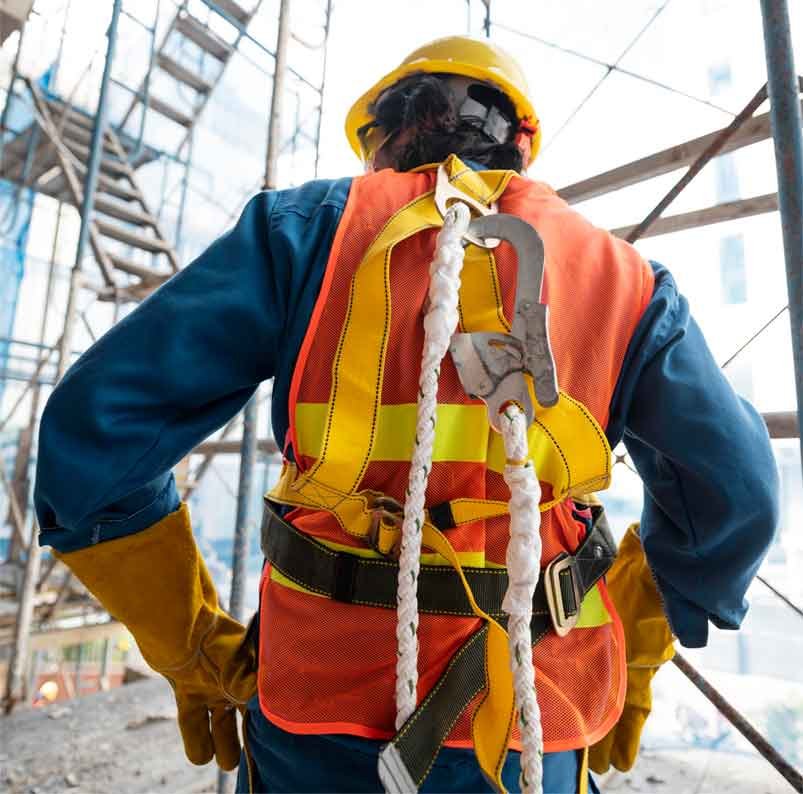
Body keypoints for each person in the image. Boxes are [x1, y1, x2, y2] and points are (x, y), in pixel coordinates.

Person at [34, 36, 779, 794]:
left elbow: (91, 437)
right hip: (537, 709)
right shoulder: (621, 278)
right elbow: (736, 488)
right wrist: (642, 630)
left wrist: (191, 645)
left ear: (382, 139)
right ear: (519, 142)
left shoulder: (304, 233)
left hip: (318, 705)